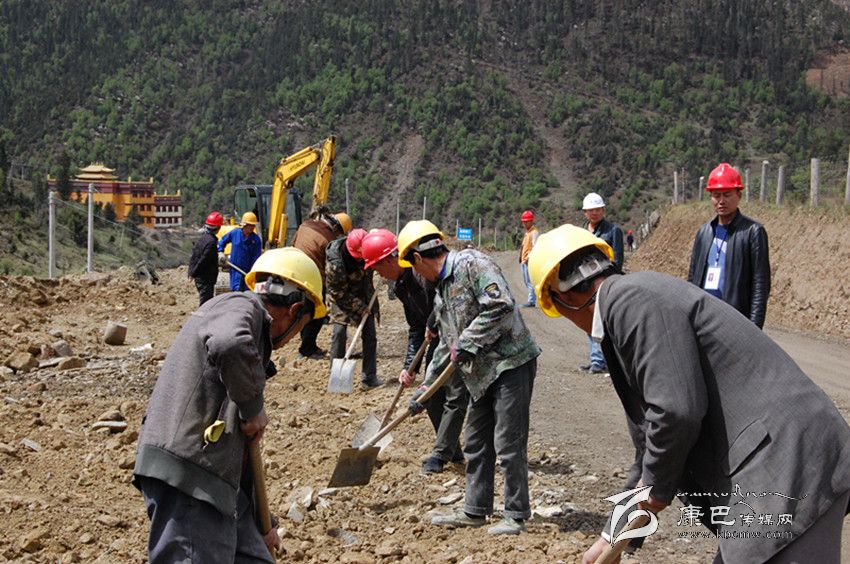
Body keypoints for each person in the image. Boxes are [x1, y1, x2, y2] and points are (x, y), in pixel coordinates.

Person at [527, 224, 850, 564]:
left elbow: (675, 411)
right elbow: (652, 444)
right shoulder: (636, 296)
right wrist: (614, 534)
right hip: (786, 461)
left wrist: (655, 492)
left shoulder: (629, 301)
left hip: (788, 461)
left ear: (563, 299)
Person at [133, 247, 326, 563]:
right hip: (190, 477)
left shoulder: (250, 329)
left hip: (218, 481)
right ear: (294, 311)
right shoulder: (240, 307)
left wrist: (264, 523)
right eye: (303, 325)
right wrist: (253, 407)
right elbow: (228, 342)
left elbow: (242, 448)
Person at [399, 220, 540, 536]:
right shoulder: (442, 292)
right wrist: (425, 388)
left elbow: (501, 305)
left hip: (510, 364)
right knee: (476, 441)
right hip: (480, 375)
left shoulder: (472, 263)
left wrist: (467, 342)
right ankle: (475, 510)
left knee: (508, 442)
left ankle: (516, 514)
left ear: (418, 258)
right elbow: (446, 347)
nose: (415, 274)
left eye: (413, 266)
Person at [362, 228, 467, 474]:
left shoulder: (422, 273)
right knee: (430, 396)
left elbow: (444, 302)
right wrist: (409, 367)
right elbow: (415, 326)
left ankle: (441, 454)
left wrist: (433, 323)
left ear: (389, 260)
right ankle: (452, 451)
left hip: (457, 337)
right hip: (436, 340)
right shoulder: (400, 285)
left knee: (454, 393)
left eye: (378, 268)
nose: (379, 274)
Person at [688, 162, 771, 329]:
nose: (721, 201)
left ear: (739, 195)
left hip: (735, 320)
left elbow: (760, 285)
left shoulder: (752, 232)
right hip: (703, 317)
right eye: (716, 195)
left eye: (727, 195)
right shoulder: (704, 232)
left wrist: (754, 329)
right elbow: (692, 278)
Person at [326, 227, 383, 390]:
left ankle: (369, 377)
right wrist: (359, 306)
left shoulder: (368, 249)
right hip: (341, 295)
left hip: (363, 291)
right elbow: (337, 291)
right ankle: (336, 377)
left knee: (370, 334)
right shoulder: (336, 262)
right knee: (339, 333)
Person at [291, 209, 350, 359]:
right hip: (312, 277)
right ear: (335, 227)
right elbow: (331, 266)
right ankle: (306, 349)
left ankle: (307, 345)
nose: (338, 237)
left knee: (305, 310)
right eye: (340, 233)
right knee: (318, 313)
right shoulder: (329, 240)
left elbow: (293, 244)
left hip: (294, 272)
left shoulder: (305, 225)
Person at [581, 192, 623, 374]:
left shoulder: (613, 231)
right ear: (585, 212)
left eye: (597, 209)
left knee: (603, 322)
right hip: (585, 283)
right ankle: (596, 358)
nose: (594, 213)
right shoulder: (582, 232)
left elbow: (618, 260)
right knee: (589, 321)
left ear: (603, 210)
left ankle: (603, 361)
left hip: (605, 283)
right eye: (591, 210)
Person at [218, 212, 263, 291]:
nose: (252, 227)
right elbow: (222, 241)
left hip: (248, 272)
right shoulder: (235, 233)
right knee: (236, 290)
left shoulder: (256, 240)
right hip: (235, 269)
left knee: (247, 293)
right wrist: (221, 252)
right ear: (244, 224)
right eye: (250, 225)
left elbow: (256, 257)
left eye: (253, 225)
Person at [187, 211, 223, 306]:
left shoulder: (202, 239)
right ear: (218, 228)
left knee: (206, 302)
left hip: (200, 278)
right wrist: (193, 273)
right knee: (206, 304)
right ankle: (201, 316)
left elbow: (194, 256)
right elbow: (203, 260)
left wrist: (191, 272)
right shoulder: (211, 243)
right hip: (205, 279)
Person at [518, 210, 540, 308]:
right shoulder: (528, 232)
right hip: (524, 261)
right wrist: (521, 257)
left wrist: (527, 258)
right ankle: (531, 300)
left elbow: (535, 247)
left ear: (531, 221)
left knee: (530, 281)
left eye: (526, 221)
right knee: (526, 281)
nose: (525, 224)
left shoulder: (534, 232)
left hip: (528, 261)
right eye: (524, 222)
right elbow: (524, 246)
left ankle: (531, 301)